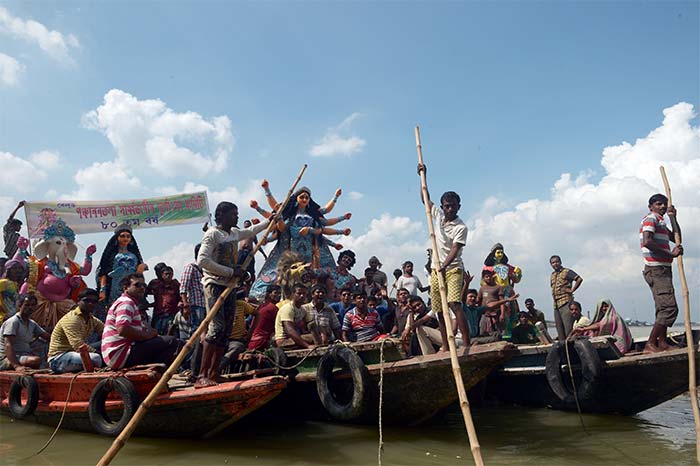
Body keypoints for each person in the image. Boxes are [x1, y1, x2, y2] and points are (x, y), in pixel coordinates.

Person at [196, 201, 269, 387]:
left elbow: (252, 231)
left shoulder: (234, 233)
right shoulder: (212, 234)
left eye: (237, 214)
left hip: (230, 286)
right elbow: (202, 260)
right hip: (214, 285)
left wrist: (271, 219)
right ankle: (202, 375)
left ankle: (214, 372)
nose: (236, 217)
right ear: (221, 216)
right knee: (216, 328)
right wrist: (230, 272)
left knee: (226, 330)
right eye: (233, 214)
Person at [249, 183, 351, 301]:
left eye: (306, 198)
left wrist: (341, 225)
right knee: (282, 275)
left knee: (309, 277)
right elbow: (275, 215)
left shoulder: (313, 217)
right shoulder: (289, 216)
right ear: (296, 199)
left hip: (309, 253)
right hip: (290, 252)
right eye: (302, 197)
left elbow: (325, 223)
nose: (304, 199)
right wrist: (263, 198)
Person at [418, 163, 470, 351]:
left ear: (458, 207)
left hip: (453, 268)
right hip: (435, 269)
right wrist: (422, 175)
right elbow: (425, 199)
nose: (450, 209)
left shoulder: (460, 227)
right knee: (439, 309)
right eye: (447, 206)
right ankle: (447, 346)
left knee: (454, 303)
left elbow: (455, 249)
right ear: (443, 206)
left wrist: (443, 266)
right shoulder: (438, 215)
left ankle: (466, 343)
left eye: (453, 206)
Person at [101, 273, 181, 370]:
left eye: (144, 285)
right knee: (172, 342)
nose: (142, 288)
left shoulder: (128, 302)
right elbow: (122, 329)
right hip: (121, 354)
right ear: (125, 288)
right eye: (137, 285)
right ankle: (156, 376)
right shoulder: (126, 303)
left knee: (165, 340)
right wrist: (147, 335)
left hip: (117, 354)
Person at [640, 193, 683, 353]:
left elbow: (677, 238)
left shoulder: (662, 222)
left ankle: (662, 342)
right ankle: (650, 344)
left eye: (664, 204)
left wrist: (673, 218)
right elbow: (647, 241)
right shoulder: (651, 218)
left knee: (662, 308)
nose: (663, 207)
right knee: (669, 308)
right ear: (651, 206)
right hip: (656, 269)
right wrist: (670, 254)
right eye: (659, 204)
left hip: (663, 269)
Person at [48, 288, 104, 373]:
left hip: (74, 354)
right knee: (96, 358)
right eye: (87, 300)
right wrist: (101, 354)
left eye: (94, 301)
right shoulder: (72, 319)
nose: (91, 303)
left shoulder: (91, 319)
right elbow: (78, 345)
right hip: (58, 359)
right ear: (78, 301)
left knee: (107, 343)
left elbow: (106, 332)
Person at [97, 224, 147, 312]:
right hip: (114, 287)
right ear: (117, 238)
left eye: (128, 236)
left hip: (131, 287)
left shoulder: (134, 255)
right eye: (122, 236)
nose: (125, 238)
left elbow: (139, 273)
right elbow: (103, 272)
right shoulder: (112, 255)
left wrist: (142, 267)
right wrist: (102, 290)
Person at [482, 243, 522, 340]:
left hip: (508, 292)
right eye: (498, 252)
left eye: (502, 252)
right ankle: (499, 336)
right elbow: (483, 284)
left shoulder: (508, 267)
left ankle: (510, 336)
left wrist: (516, 275)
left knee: (512, 313)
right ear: (493, 254)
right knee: (499, 315)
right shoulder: (487, 268)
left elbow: (516, 279)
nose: (500, 254)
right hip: (495, 294)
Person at [0, 293, 50, 370]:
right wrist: (17, 366)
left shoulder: (32, 323)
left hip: (23, 355)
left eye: (33, 305)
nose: (30, 308)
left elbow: (47, 337)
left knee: (43, 347)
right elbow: (8, 345)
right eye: (27, 305)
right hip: (6, 359)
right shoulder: (13, 322)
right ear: (20, 305)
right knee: (35, 360)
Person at [220, 289, 258, 371]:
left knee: (237, 347)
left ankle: (217, 369)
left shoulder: (241, 304)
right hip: (221, 339)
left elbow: (257, 314)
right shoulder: (219, 305)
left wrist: (250, 333)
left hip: (235, 340)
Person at [549, 255, 583, 341]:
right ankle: (563, 350)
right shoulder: (552, 275)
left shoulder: (566, 271)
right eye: (553, 263)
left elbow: (579, 279)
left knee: (568, 329)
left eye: (556, 262)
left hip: (566, 303)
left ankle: (571, 350)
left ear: (560, 262)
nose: (555, 264)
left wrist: (572, 290)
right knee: (560, 330)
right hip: (556, 305)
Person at [274, 283, 313, 349]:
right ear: (293, 294)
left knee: (318, 336)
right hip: (283, 340)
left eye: (304, 294)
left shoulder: (303, 309)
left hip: (296, 338)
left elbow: (311, 325)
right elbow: (290, 331)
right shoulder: (288, 308)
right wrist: (307, 346)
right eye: (299, 293)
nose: (302, 296)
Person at [146, 264, 181, 335]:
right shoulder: (155, 283)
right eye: (157, 272)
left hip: (171, 314)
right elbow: (145, 292)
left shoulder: (175, 284)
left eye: (170, 274)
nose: (168, 276)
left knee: (171, 335)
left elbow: (181, 296)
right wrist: (148, 305)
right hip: (158, 314)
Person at [247, 285, 282, 351]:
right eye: (275, 293)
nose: (279, 295)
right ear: (269, 294)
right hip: (262, 342)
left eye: (280, 293)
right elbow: (280, 326)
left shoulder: (261, 306)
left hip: (253, 340)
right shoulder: (273, 308)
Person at [0, 253, 25, 322]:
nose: (18, 270)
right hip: (4, 319)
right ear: (8, 270)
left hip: (15, 318)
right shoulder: (3, 283)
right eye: (14, 268)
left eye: (19, 268)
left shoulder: (15, 284)